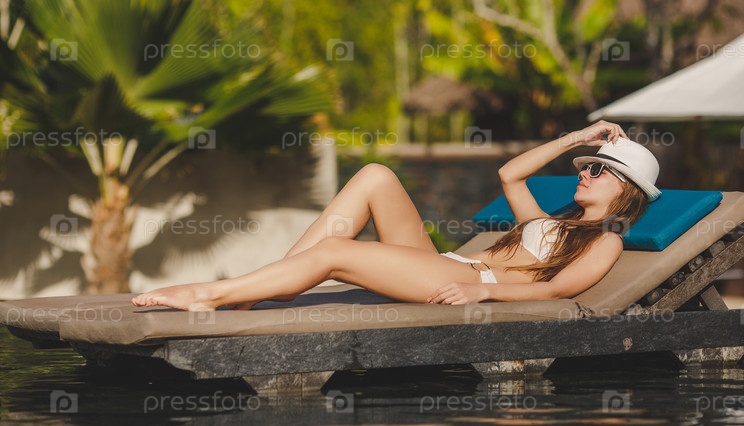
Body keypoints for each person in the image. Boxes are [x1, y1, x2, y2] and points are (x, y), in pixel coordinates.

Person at [132, 121, 660, 311]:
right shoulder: (552, 220)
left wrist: (484, 293)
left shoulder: (607, 240)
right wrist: (575, 138)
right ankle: (279, 284)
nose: (585, 173)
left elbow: (558, 290)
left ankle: (213, 293)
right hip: (448, 264)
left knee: (336, 253)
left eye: (598, 170)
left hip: (470, 280)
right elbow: (509, 175)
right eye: (587, 166)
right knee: (375, 175)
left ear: (627, 190)